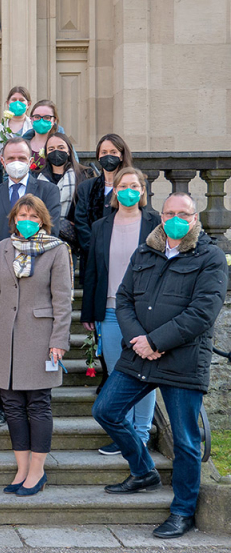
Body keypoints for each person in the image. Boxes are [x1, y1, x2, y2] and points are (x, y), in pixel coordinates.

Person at [92, 193, 227, 539]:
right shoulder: (144, 251)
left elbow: (202, 312)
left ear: (195, 218)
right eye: (171, 212)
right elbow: (123, 300)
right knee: (106, 410)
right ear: (161, 216)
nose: (177, 218)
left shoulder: (210, 257)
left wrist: (156, 342)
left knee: (184, 441)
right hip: (139, 355)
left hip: (182, 360)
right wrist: (140, 339)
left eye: (184, 213)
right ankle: (143, 470)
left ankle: (183, 511)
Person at [0, 194, 73, 497]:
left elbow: (62, 300)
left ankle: (37, 471)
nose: (27, 221)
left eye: (34, 217)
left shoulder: (57, 251)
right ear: (14, 219)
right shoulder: (0, 250)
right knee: (12, 406)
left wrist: (59, 341)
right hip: (6, 336)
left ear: (43, 220)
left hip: (41, 337)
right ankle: (21, 469)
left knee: (38, 404)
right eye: (22, 216)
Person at [0, 137, 61, 427]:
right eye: (10, 157)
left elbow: (54, 229)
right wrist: (3, 259)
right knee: (5, 348)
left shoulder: (48, 190)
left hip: (39, 271)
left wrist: (30, 257)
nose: (16, 162)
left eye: (22, 158)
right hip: (3, 272)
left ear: (31, 160)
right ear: (2, 160)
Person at [81, 167, 159, 455]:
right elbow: (92, 271)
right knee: (118, 375)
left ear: (142, 190)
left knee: (145, 375)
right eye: (123, 185)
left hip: (146, 312)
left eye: (134, 185)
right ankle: (123, 435)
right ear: (115, 192)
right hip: (111, 310)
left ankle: (141, 435)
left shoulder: (155, 223)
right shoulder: (101, 226)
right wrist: (89, 311)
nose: (129, 190)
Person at [74, 134, 134, 270]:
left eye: (113, 152)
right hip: (92, 257)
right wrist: (96, 248)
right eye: (104, 152)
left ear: (121, 155)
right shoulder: (86, 187)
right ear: (98, 157)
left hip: (124, 256)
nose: (108, 156)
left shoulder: (133, 187)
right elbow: (81, 221)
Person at [0, 86, 33, 153]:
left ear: (28, 104)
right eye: (14, 100)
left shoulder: (34, 127)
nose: (17, 103)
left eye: (21, 100)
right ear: (8, 103)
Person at [22, 100, 60, 170]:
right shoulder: (22, 145)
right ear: (31, 119)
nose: (41, 121)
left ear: (54, 120)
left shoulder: (62, 146)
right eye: (37, 117)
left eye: (47, 117)